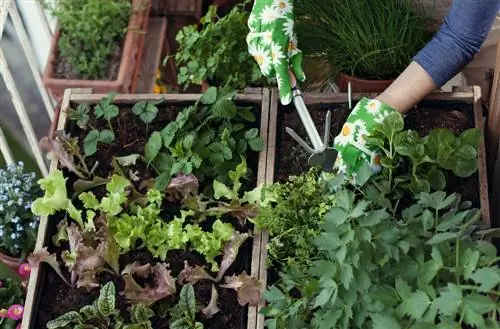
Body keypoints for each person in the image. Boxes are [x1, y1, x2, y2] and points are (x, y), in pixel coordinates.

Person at [246, 0, 500, 181]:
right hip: (386, 14)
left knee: (468, 101)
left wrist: (383, 109)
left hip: (470, 20)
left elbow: (460, 37)